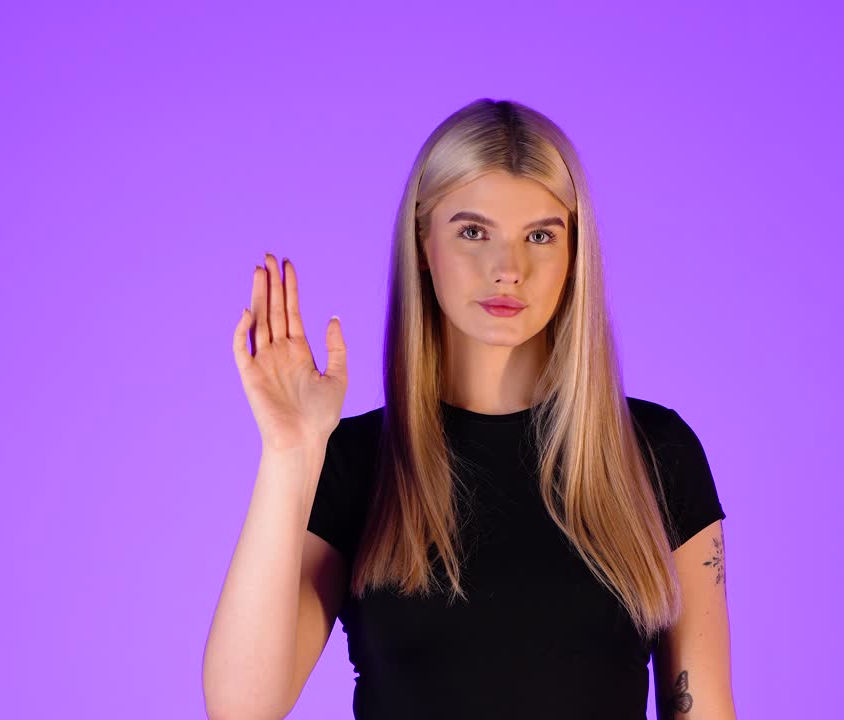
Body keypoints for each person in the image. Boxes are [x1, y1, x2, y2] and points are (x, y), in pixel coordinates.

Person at [203, 98, 734, 720]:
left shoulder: (655, 453)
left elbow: (705, 709)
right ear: (424, 243)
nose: (508, 269)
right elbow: (242, 708)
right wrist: (290, 452)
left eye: (540, 235)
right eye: (473, 232)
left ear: (574, 254)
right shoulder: (354, 465)